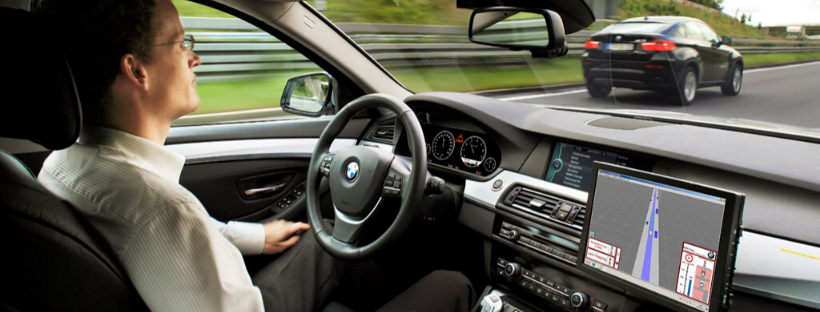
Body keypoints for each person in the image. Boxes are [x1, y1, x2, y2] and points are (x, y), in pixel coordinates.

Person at [31, 0, 474, 311]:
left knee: (325, 246)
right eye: (181, 42)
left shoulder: (68, 163)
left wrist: (254, 236)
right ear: (136, 70)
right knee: (452, 285)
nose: (195, 58)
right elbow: (175, 233)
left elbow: (175, 246)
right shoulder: (164, 211)